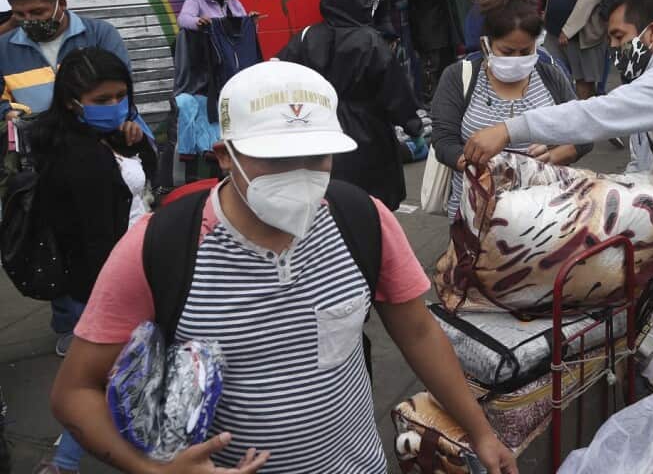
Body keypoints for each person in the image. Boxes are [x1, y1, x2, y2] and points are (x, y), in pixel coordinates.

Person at [50, 60, 518, 474]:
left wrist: (481, 432)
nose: (300, 173)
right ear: (224, 157)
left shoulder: (364, 220)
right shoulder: (160, 246)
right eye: (276, 159)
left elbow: (418, 333)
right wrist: (151, 469)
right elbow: (74, 392)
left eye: (316, 156)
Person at [462, 0, 653, 373]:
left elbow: (598, 114)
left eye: (618, 37)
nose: (614, 49)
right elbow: (642, 163)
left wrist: (510, 129)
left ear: (652, 33)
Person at [28, 48, 156, 474]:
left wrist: (126, 140)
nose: (116, 105)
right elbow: (99, 239)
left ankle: (65, 462)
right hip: (115, 283)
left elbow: (140, 181)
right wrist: (130, 293)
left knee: (114, 378)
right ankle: (68, 462)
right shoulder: (81, 158)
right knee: (114, 379)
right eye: (103, 99)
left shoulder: (96, 139)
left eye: (121, 95)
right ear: (72, 101)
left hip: (119, 277)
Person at [430, 0, 592, 219]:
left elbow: (583, 135)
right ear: (486, 44)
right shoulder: (459, 77)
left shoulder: (551, 74)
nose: (517, 59)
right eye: (507, 52)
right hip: (476, 217)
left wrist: (554, 156)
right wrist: (487, 168)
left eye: (525, 52)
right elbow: (443, 140)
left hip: (545, 217)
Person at [276, 0, 422, 210]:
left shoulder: (306, 37)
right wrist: (412, 125)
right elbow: (395, 92)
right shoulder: (371, 41)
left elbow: (281, 75)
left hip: (317, 127)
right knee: (371, 202)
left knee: (328, 199)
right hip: (368, 130)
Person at [0, 0, 131, 121]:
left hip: (99, 135)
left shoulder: (99, 34)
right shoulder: (3, 48)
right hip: (40, 139)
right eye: (20, 14)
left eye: (38, 12)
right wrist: (9, 113)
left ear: (61, 4)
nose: (29, 20)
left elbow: (122, 87)